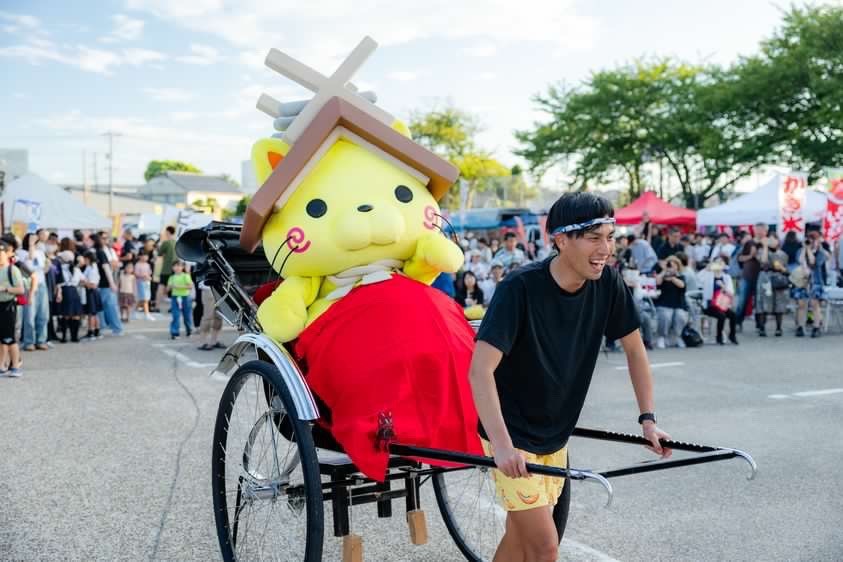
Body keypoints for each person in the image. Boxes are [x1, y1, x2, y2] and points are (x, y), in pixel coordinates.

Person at [469, 192, 671, 562]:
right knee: (545, 547)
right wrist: (501, 445)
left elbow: (635, 350)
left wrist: (648, 421)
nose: (605, 248)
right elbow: (480, 371)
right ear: (561, 240)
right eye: (594, 238)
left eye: (610, 237)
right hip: (511, 433)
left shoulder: (608, 284)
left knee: (518, 542)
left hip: (556, 433)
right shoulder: (520, 288)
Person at [794, 232, 830, 338]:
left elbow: (814, 263)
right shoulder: (801, 251)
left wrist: (809, 250)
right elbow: (799, 261)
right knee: (801, 304)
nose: (811, 242)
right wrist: (805, 249)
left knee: (815, 304)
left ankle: (816, 327)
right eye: (809, 239)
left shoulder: (822, 253)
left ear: (818, 240)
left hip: (816, 281)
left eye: (813, 239)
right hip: (802, 281)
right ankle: (800, 327)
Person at [18, 232, 50, 351]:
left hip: (41, 284)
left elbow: (43, 269)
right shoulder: (21, 253)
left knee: (43, 314)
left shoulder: (40, 252)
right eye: (34, 241)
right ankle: (29, 341)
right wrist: (31, 244)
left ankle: (41, 340)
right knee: (29, 315)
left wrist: (48, 265)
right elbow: (30, 259)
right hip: (29, 286)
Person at [0, 240, 25, 377]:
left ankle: (15, 367)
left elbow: (21, 290)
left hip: (9, 306)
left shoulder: (12, 269)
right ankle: (1, 366)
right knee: (1, 339)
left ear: (7, 253)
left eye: (0, 252)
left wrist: (5, 288)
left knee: (9, 339)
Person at [756, 235, 789, 337]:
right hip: (765, 278)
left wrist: (781, 268)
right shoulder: (761, 251)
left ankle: (779, 328)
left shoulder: (783, 254)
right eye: (769, 239)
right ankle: (762, 328)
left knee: (779, 302)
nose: (771, 241)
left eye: (773, 239)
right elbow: (763, 261)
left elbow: (785, 267)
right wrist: (765, 246)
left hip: (779, 278)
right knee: (763, 303)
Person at [699, 257, 738, 345]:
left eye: (721, 263)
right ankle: (719, 336)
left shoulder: (726, 277)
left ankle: (732, 335)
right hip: (710, 305)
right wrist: (706, 269)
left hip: (722, 304)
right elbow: (699, 280)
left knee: (733, 315)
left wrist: (723, 287)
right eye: (717, 262)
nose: (719, 264)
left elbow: (731, 293)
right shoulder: (708, 275)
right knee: (722, 316)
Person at [654, 255, 689, 348]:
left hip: (679, 304)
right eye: (670, 265)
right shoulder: (663, 275)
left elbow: (682, 285)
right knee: (666, 316)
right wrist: (664, 270)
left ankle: (677, 337)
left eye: (674, 265)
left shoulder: (681, 276)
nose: (671, 267)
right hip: (664, 303)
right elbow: (657, 282)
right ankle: (662, 337)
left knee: (680, 316)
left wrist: (673, 277)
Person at [167, 260, 194, 339]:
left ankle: (189, 330)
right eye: (175, 266)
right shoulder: (171, 277)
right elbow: (167, 288)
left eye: (179, 266)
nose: (177, 268)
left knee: (187, 315)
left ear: (182, 267)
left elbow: (190, 286)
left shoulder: (186, 276)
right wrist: (169, 287)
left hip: (185, 297)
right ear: (172, 268)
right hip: (175, 297)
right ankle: (174, 332)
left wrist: (179, 287)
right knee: (176, 315)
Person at [156, 226, 178, 314]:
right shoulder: (177, 243)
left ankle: (157, 306)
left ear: (168, 232)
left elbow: (159, 253)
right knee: (174, 289)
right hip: (175, 269)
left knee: (161, 287)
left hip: (166, 269)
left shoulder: (166, 243)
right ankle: (173, 307)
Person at [197, 282, 224, 351]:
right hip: (208, 288)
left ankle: (214, 341)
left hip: (221, 288)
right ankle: (202, 342)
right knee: (208, 316)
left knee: (219, 316)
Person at [134, 252, 154, 320]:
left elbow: (150, 273)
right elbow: (136, 274)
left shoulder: (147, 264)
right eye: (143, 256)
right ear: (140, 257)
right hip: (141, 283)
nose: (145, 258)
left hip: (147, 283)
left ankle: (135, 312)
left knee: (144, 299)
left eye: (146, 256)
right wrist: (143, 276)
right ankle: (147, 314)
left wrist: (149, 277)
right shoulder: (137, 265)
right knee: (145, 299)